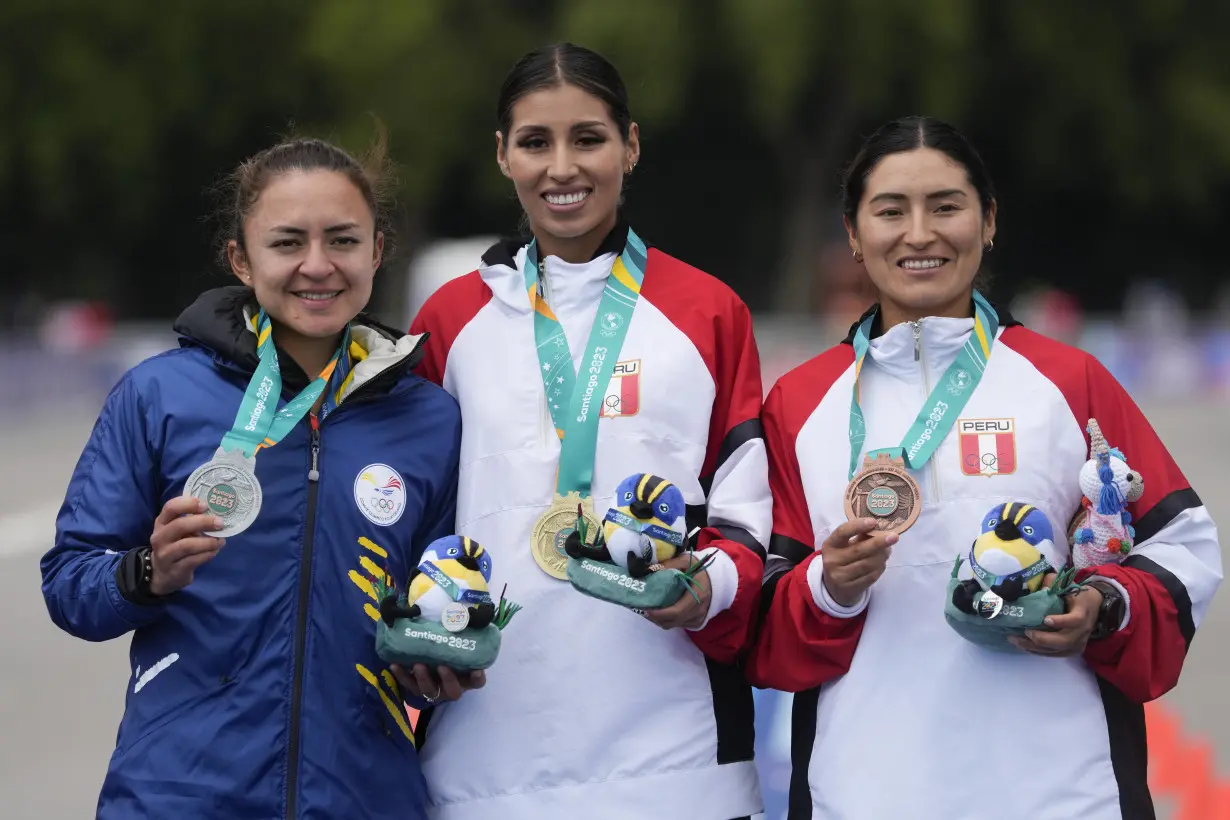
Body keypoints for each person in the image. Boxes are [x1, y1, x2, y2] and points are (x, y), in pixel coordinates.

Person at [746, 116, 1222, 819]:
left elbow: (1183, 548)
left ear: (988, 220)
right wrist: (830, 586)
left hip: (1060, 794)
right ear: (852, 234)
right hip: (865, 795)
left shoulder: (1070, 381)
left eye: (946, 206)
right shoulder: (799, 402)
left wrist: (1101, 605)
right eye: (890, 211)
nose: (919, 234)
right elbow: (758, 621)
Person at [40, 135, 464, 819]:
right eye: (288, 242)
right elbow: (68, 585)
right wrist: (146, 574)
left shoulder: (429, 418)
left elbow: (440, 594)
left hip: (362, 797)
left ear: (378, 250)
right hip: (179, 794)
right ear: (241, 257)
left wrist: (436, 663)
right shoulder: (159, 397)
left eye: (344, 241)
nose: (317, 266)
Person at [407, 42, 771, 820]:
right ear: (502, 155)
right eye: (536, 142)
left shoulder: (708, 311)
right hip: (483, 756)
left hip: (674, 758)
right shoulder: (447, 321)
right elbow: (419, 520)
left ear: (630, 146)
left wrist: (710, 586)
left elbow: (745, 509)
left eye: (589, 139)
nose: (562, 168)